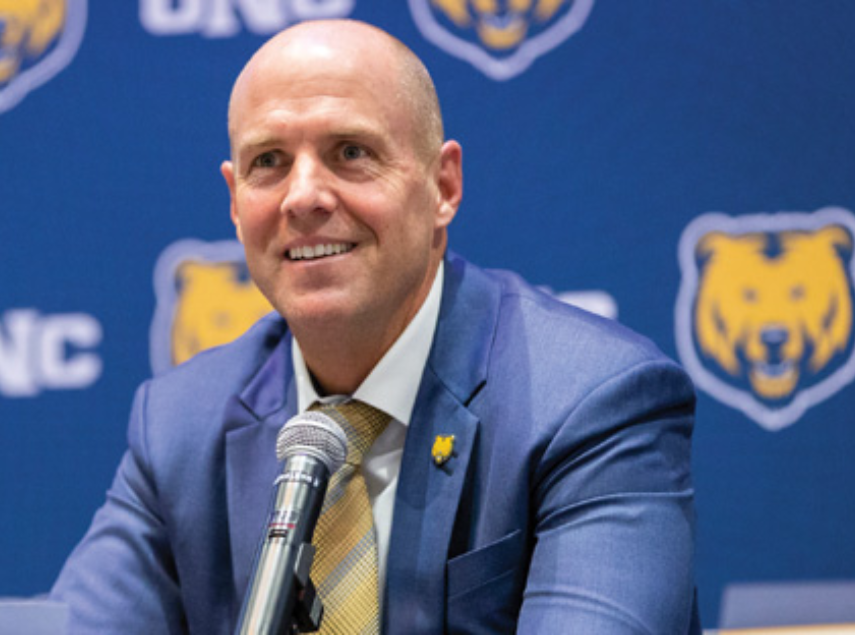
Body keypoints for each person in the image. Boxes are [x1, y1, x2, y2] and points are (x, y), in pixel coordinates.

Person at [52, 19, 698, 635]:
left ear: (442, 185)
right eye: (269, 162)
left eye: (351, 152)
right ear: (234, 199)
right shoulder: (176, 427)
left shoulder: (589, 401)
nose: (302, 196)